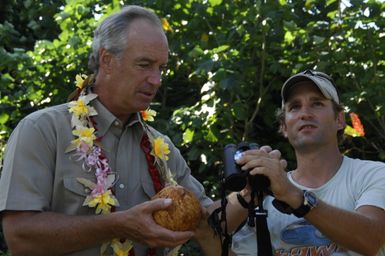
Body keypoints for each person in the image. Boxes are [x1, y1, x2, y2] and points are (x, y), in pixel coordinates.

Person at [0, 5, 220, 256]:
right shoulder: (42, 130)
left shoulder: (162, 147)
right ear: (107, 60)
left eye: (161, 68)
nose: (156, 80)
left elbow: (207, 221)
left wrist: (251, 192)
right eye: (144, 64)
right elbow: (19, 237)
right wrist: (119, 225)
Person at [228, 70, 385, 255]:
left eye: (317, 104)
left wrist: (294, 196)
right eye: (294, 107)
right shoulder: (264, 194)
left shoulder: (374, 174)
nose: (305, 113)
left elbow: (371, 240)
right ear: (284, 127)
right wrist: (207, 231)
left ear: (339, 119)